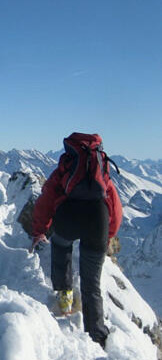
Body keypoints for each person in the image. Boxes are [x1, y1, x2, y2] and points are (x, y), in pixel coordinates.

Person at [30, 132, 122, 348]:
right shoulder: (102, 169)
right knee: (92, 283)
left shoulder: (66, 166)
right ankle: (97, 334)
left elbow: (46, 199)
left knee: (61, 247)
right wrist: (107, 235)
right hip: (97, 220)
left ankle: (64, 295)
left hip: (68, 217)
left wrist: (39, 231)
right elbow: (115, 207)